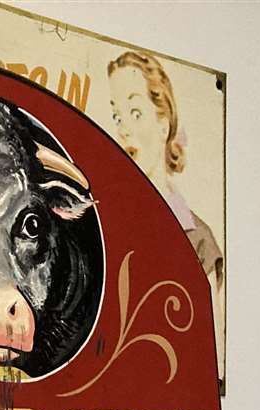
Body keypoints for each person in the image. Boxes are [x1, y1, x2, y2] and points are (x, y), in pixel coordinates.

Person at [107, 50, 224, 292]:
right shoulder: (106, 228)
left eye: (135, 113)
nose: (123, 129)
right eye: (117, 117)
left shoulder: (198, 239)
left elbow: (213, 328)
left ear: (163, 125)